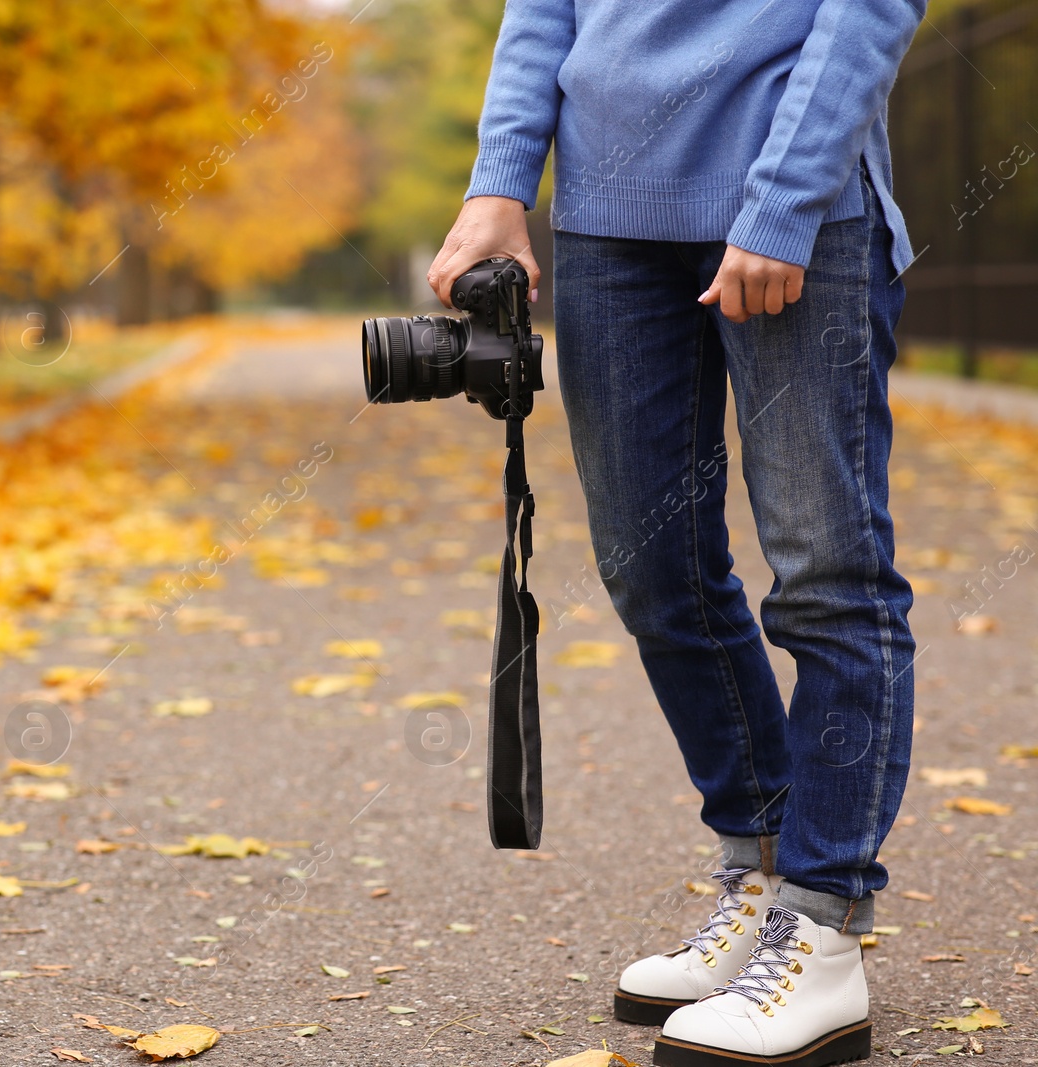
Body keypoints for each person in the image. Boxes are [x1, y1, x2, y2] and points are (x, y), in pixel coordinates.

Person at [427, 2, 927, 1065]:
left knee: (827, 574)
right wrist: (499, 177)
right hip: (608, 218)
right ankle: (759, 870)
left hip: (794, 197)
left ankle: (824, 925)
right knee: (652, 570)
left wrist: (786, 196)